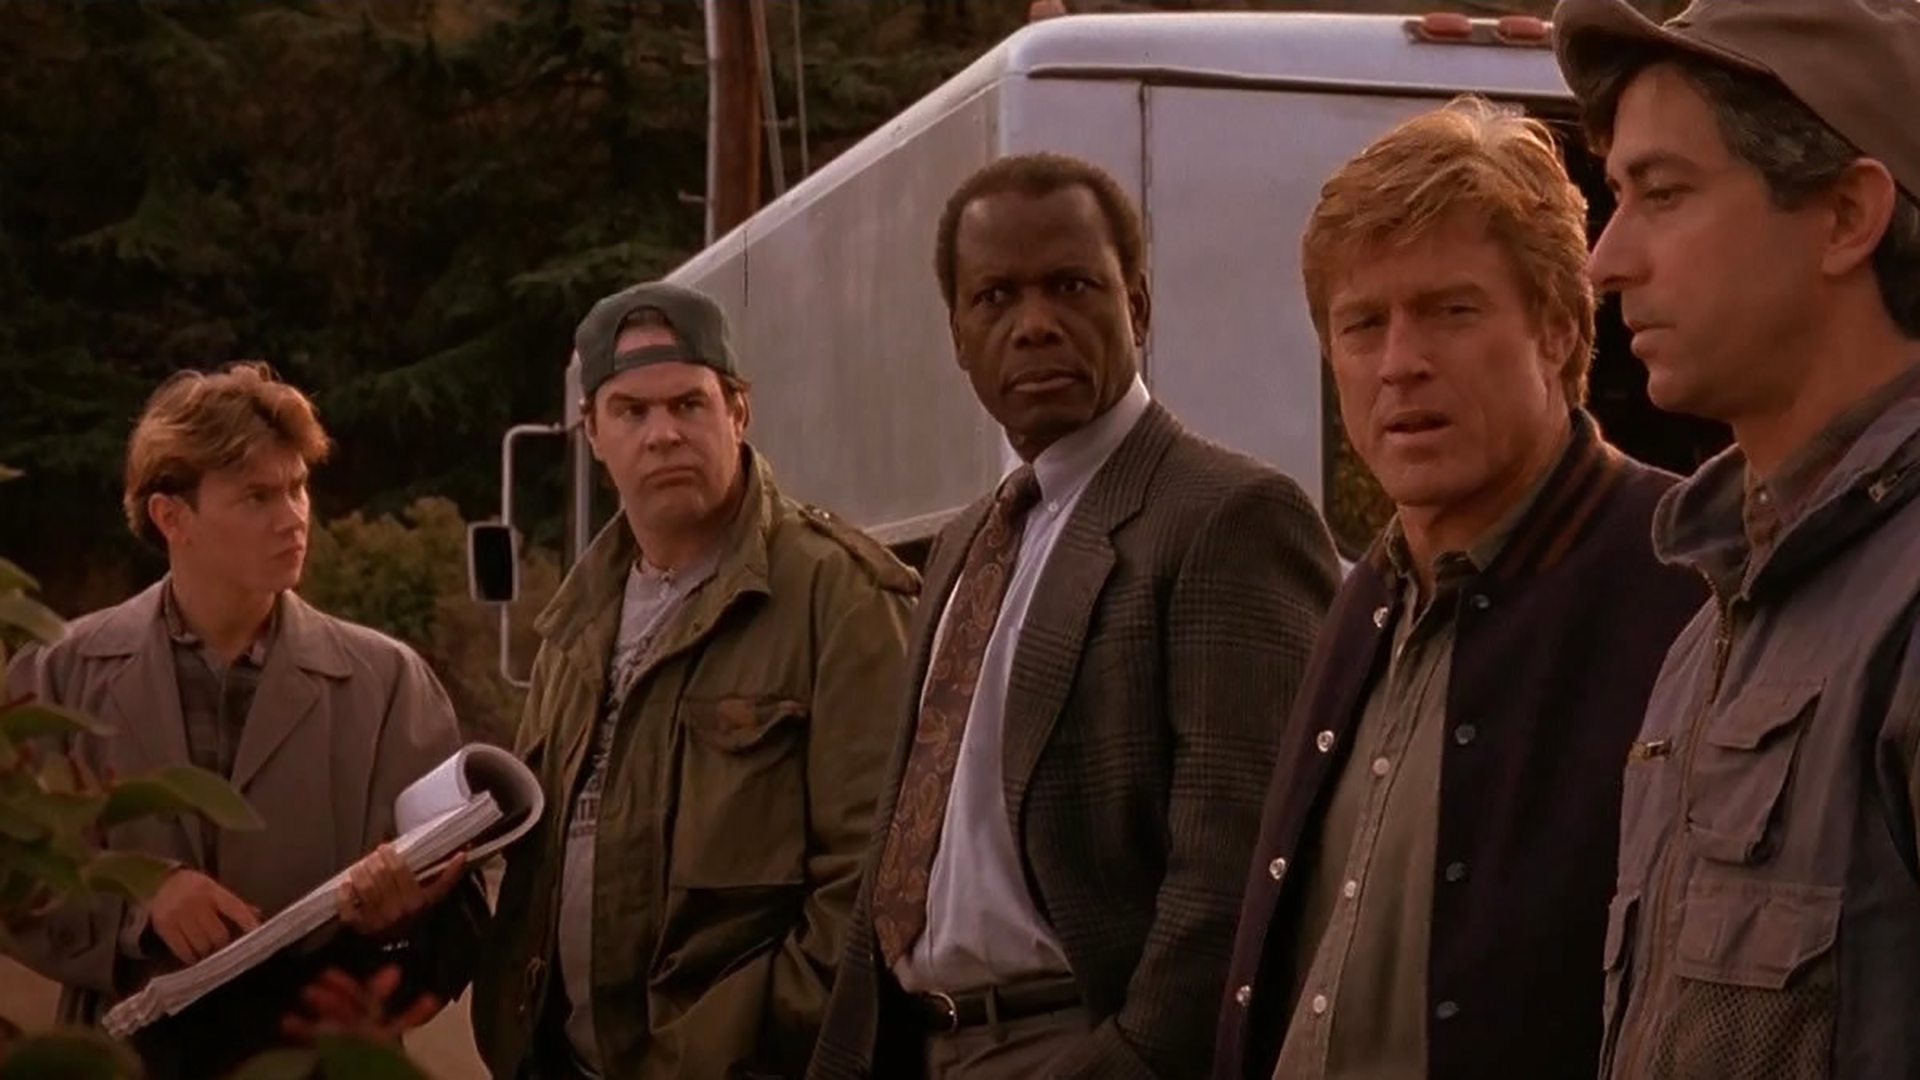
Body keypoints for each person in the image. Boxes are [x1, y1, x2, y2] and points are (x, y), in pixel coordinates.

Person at [810, 152, 1341, 1080]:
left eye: (1071, 286)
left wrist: (1125, 1060)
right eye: (996, 298)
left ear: (1137, 305)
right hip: (923, 1042)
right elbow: (907, 833)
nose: (1035, 324)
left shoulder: (1226, 516)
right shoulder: (970, 539)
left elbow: (1237, 869)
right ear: (958, 336)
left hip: (1076, 1045)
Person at [1210, 98, 1705, 1080]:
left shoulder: (1684, 583)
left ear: (1559, 328)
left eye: (1451, 311)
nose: (1401, 364)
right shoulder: (1368, 597)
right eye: (1363, 324)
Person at [1551, 1, 1920, 1076]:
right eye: (1617, 197)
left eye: (1663, 193)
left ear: (1846, 216)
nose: (1604, 260)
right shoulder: (1716, 618)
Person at [470, 281, 916, 1079]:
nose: (663, 434)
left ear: (738, 411)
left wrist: (739, 1048)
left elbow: (874, 879)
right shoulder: (573, 630)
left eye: (688, 404)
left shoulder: (836, 597)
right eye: (632, 411)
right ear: (593, 433)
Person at [3, 362, 486, 1080]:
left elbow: (461, 911)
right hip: (125, 1063)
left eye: (297, 487)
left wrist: (399, 921)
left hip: (317, 1064)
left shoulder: (387, 683)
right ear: (172, 517)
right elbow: (13, 873)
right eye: (258, 496)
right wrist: (141, 903)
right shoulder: (61, 673)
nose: (293, 517)